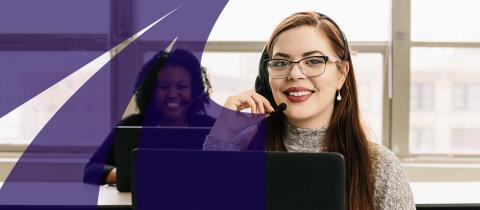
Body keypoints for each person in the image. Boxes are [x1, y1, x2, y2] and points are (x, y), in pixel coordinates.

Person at [203, 12, 415, 210]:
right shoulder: (238, 152)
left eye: (314, 61)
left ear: (341, 74)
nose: (295, 73)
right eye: (280, 62)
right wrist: (221, 140)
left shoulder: (379, 167)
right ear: (266, 79)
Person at [84, 49, 216, 185]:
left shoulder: (212, 128)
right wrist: (123, 174)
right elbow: (91, 170)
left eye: (182, 87)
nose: (172, 94)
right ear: (151, 90)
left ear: (194, 91)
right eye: (164, 87)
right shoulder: (132, 125)